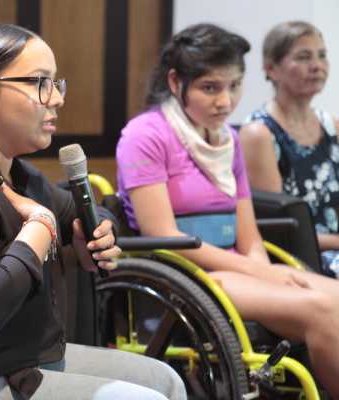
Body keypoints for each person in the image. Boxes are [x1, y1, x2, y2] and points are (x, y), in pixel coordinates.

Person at [0, 23, 186, 400]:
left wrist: (98, 231)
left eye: (57, 83)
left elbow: (88, 212)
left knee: (166, 381)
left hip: (26, 359)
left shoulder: (17, 171)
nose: (56, 98)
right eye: (40, 83)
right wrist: (41, 223)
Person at [116, 23, 339, 397]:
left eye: (234, 86)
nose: (225, 101)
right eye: (210, 88)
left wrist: (265, 271)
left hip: (234, 266)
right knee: (321, 309)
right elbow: (168, 238)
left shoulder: (227, 139)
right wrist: (258, 272)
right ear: (175, 82)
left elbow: (248, 234)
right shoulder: (145, 135)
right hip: (183, 273)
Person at [239, 21, 339, 277]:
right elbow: (282, 229)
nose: (317, 66)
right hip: (300, 258)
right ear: (271, 68)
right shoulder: (259, 133)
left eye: (322, 55)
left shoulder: (333, 125)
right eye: (304, 57)